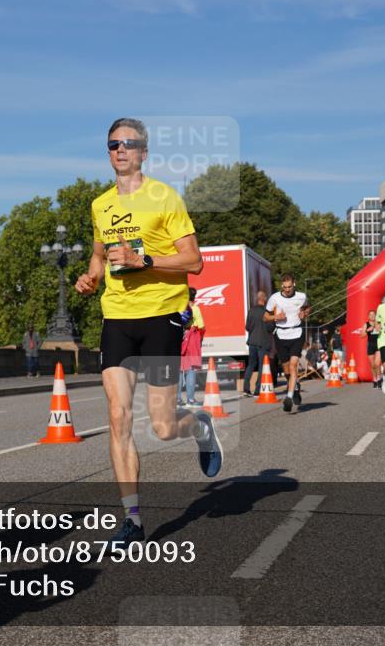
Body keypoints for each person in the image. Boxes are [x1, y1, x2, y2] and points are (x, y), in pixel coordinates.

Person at [74, 118, 222, 548]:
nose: (120, 150)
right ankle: (133, 521)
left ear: (144, 151)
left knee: (160, 427)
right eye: (112, 144)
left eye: (128, 143)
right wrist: (90, 277)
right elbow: (100, 256)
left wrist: (146, 262)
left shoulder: (164, 197)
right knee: (118, 417)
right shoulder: (100, 205)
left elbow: (193, 262)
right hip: (117, 317)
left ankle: (198, 425)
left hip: (162, 316)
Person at [264, 274, 309, 413]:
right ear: (281, 286)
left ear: (294, 284)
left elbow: (307, 308)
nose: (287, 289)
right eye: (285, 287)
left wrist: (304, 314)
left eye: (290, 287)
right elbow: (265, 317)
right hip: (281, 334)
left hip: (296, 333)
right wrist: (275, 316)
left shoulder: (301, 296)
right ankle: (295, 387)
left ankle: (288, 398)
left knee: (293, 364)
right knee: (286, 369)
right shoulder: (274, 298)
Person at [178, 287, 205, 406]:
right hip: (192, 338)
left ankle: (178, 399)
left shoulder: (179, 308)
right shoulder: (196, 309)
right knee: (191, 370)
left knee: (178, 370)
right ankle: (190, 399)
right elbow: (201, 326)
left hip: (179, 338)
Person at [243, 290, 272, 396]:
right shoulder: (267, 313)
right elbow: (270, 328)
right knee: (261, 367)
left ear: (257, 299)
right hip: (263, 343)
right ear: (264, 299)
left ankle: (246, 389)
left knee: (251, 365)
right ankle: (257, 390)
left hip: (252, 342)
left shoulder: (251, 311)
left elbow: (247, 327)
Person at [365, 311, 381, 388]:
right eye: (370, 315)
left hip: (378, 345)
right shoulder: (366, 324)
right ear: (368, 316)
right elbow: (362, 335)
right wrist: (368, 330)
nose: (372, 316)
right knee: (372, 365)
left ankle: (379, 379)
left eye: (374, 314)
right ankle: (374, 379)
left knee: (377, 364)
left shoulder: (379, 323)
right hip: (370, 345)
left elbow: (381, 331)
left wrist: (376, 326)